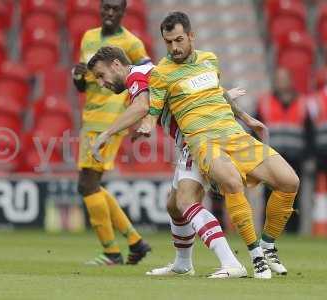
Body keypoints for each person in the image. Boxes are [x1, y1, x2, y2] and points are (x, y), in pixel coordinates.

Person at [91, 12, 300, 279]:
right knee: (174, 206)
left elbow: (144, 105)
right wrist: (241, 113)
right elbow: (197, 92)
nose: (102, 83)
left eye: (101, 75)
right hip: (196, 140)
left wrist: (105, 134)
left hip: (197, 140)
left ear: (117, 64)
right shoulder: (157, 71)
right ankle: (183, 263)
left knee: (187, 200)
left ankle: (232, 262)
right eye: (169, 42)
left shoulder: (138, 77)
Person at [72, 0, 151, 266]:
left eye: (115, 9)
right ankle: (135, 242)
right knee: (91, 184)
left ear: (123, 12)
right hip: (90, 117)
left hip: (111, 120)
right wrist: (78, 75)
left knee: (87, 184)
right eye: (106, 7)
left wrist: (145, 116)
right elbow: (83, 87)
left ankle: (113, 252)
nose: (109, 12)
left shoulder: (132, 43)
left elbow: (147, 78)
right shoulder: (89, 37)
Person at [256, 67, 312, 232]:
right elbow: (255, 130)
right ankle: (269, 232)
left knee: (294, 197)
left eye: (284, 78)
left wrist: (309, 156)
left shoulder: (303, 103)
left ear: (290, 81)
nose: (281, 82)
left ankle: (293, 231)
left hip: (295, 158)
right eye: (278, 78)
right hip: (271, 158)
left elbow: (310, 132)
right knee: (269, 196)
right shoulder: (264, 102)